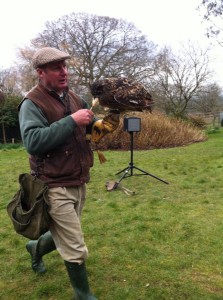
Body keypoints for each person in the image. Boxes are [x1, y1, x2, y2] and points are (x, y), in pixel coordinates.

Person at [18, 47, 119, 300]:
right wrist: (72, 120)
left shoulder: (72, 97)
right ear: (41, 73)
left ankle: (35, 248)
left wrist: (102, 125)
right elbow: (33, 141)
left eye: (65, 66)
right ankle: (83, 295)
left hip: (77, 179)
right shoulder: (32, 103)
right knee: (74, 244)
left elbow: (89, 127)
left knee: (63, 232)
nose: (64, 72)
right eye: (56, 68)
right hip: (52, 184)